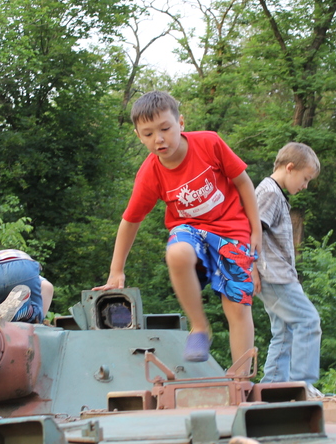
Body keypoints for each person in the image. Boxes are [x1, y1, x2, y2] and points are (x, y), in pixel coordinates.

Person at [94, 91, 262, 364]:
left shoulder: (209, 143)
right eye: (148, 134)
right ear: (139, 136)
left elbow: (243, 182)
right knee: (177, 252)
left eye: (165, 129)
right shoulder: (150, 173)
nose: (159, 139)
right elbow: (131, 220)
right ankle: (200, 327)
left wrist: (256, 230)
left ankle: (241, 378)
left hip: (232, 230)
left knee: (237, 307)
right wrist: (116, 270)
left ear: (180, 123)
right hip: (190, 230)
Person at [255, 142, 323, 395]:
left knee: (284, 332)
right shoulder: (270, 193)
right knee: (308, 320)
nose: (305, 186)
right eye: (305, 179)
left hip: (277, 274)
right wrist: (250, 269)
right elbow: (251, 231)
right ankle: (301, 385)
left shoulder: (274, 193)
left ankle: (273, 389)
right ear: (290, 168)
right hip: (274, 275)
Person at [0, 249, 54, 323]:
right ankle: (25, 309)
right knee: (36, 316)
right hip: (22, 268)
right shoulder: (37, 276)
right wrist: (38, 319)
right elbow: (47, 286)